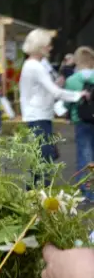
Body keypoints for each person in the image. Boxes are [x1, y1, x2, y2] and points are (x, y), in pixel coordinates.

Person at [19, 29, 86, 186]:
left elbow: (44, 89)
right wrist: (78, 95)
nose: (50, 48)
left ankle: (34, 195)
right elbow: (55, 92)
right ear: (40, 46)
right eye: (48, 45)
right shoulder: (36, 66)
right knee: (43, 158)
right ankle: (39, 195)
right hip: (39, 116)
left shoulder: (30, 64)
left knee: (39, 157)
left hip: (37, 114)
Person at [64, 46, 94, 201]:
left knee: (85, 157)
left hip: (81, 121)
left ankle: (87, 192)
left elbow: (67, 103)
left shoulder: (72, 80)